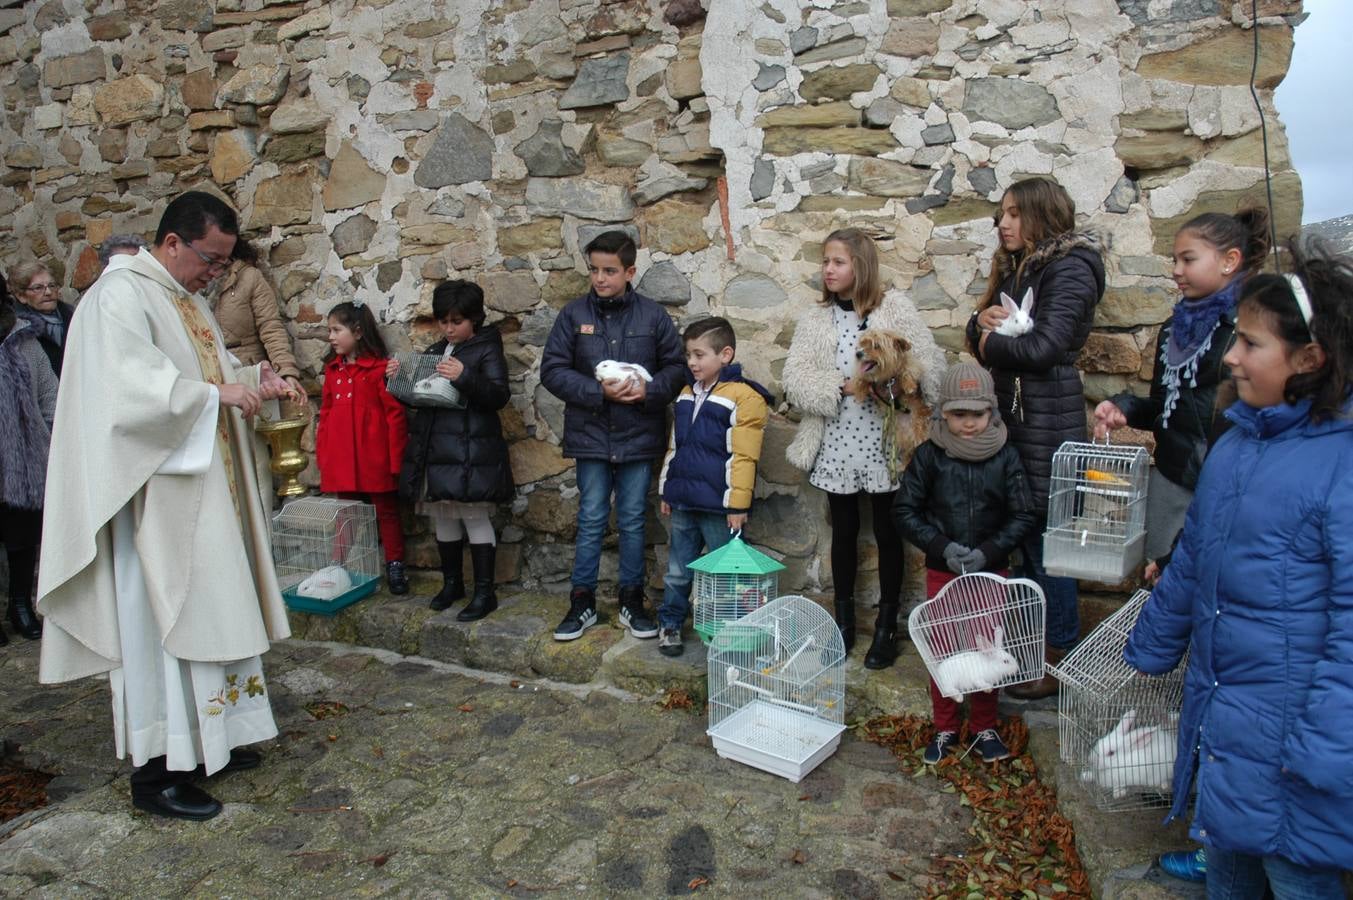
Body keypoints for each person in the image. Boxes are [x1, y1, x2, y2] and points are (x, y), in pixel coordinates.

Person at [36, 191, 297, 821]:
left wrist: (251, 379)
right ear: (172, 242)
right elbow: (127, 394)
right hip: (155, 506)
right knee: (162, 631)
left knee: (216, 614)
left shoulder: (185, 299)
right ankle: (157, 775)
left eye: (225, 263)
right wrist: (216, 395)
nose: (216, 273)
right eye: (210, 259)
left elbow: (206, 365)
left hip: (204, 494)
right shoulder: (118, 296)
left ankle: (217, 742)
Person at [1124, 237, 1353, 899]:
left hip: (1298, 756)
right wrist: (1152, 643)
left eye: (1250, 343)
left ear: (1309, 358)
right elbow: (1195, 553)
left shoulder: (1340, 468)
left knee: (1293, 880)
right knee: (1226, 877)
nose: (1230, 356)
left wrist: (1326, 753)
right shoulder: (1235, 443)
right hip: (1229, 737)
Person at [965, 177, 1105, 699]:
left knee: (1048, 545)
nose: (1003, 223)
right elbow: (984, 336)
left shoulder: (1071, 268)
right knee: (1026, 539)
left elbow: (1044, 348)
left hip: (1047, 420)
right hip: (1020, 421)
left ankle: (1057, 657)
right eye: (1002, 214)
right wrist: (979, 323)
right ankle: (1028, 652)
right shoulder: (1021, 268)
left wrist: (984, 341)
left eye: (1014, 214)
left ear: (1043, 215)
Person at [783, 227, 945, 669]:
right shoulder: (816, 320)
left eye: (838, 262)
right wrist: (840, 385)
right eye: (825, 262)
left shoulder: (895, 309)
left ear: (861, 265)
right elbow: (795, 379)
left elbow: (928, 366)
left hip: (884, 439)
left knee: (891, 532)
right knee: (845, 531)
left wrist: (895, 379)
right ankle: (843, 623)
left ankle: (888, 625)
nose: (828, 270)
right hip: (836, 437)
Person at [1093, 210, 1270, 583]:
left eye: (1188, 259)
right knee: (1163, 587)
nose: (1176, 269)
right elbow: (1162, 405)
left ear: (1229, 261)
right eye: (1174, 260)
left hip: (1223, 486)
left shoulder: (1252, 328)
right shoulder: (1174, 329)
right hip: (1172, 482)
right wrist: (1123, 408)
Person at [540, 231, 685, 642]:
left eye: (609, 271)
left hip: (639, 434)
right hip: (591, 435)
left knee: (634, 520)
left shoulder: (653, 316)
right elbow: (552, 370)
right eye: (594, 270)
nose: (600, 279)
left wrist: (649, 392)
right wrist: (595, 391)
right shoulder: (572, 315)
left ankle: (632, 600)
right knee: (590, 519)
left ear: (629, 271)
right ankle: (582, 601)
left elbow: (676, 369)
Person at [895, 362, 1037, 763]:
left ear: (992, 412)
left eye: (978, 414)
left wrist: (988, 552)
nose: (969, 423)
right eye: (959, 414)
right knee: (943, 648)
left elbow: (1024, 514)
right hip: (944, 570)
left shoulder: (1007, 457)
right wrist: (942, 546)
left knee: (986, 651)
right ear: (943, 413)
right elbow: (905, 511)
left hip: (991, 573)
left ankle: (983, 726)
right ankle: (945, 728)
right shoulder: (929, 458)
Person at [390, 280, 514, 621]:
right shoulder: (434, 351)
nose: (448, 328)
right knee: (443, 518)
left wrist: (464, 376)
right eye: (442, 322)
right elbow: (421, 399)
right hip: (438, 449)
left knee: (474, 516)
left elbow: (498, 395)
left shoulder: (487, 348)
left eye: (456, 322)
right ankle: (452, 584)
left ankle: (484, 592)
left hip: (471, 451)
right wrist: (399, 382)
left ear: (474, 318)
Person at [654, 317, 774, 657]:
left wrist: (738, 506)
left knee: (727, 575)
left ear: (725, 354)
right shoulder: (684, 395)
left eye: (699, 354)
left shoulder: (743, 398)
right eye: (688, 355)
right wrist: (668, 489)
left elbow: (744, 458)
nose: (691, 362)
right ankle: (671, 623)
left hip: (720, 508)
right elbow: (675, 447)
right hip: (684, 504)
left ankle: (729, 631)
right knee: (678, 570)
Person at [316, 301, 410, 594]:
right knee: (347, 513)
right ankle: (337, 565)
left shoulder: (381, 369)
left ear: (357, 332)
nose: (331, 337)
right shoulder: (333, 371)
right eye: (329, 330)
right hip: (344, 457)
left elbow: (395, 416)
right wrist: (325, 455)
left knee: (386, 511)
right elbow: (327, 413)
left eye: (336, 330)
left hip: (374, 456)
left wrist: (396, 461)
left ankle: (395, 564)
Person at [0, 274, 58, 643]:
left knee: (22, 534)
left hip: (23, 455)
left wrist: (51, 441)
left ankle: (21, 605)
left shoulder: (24, 341)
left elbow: (49, 395)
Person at [208, 236, 304, 399]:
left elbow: (270, 326)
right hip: (210, 376)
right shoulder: (189, 284)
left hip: (250, 375)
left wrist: (286, 372)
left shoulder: (250, 277)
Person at [8, 260, 75, 378]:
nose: (48, 292)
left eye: (52, 285)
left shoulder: (73, 317)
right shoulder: (18, 330)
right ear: (21, 296)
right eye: (38, 288)